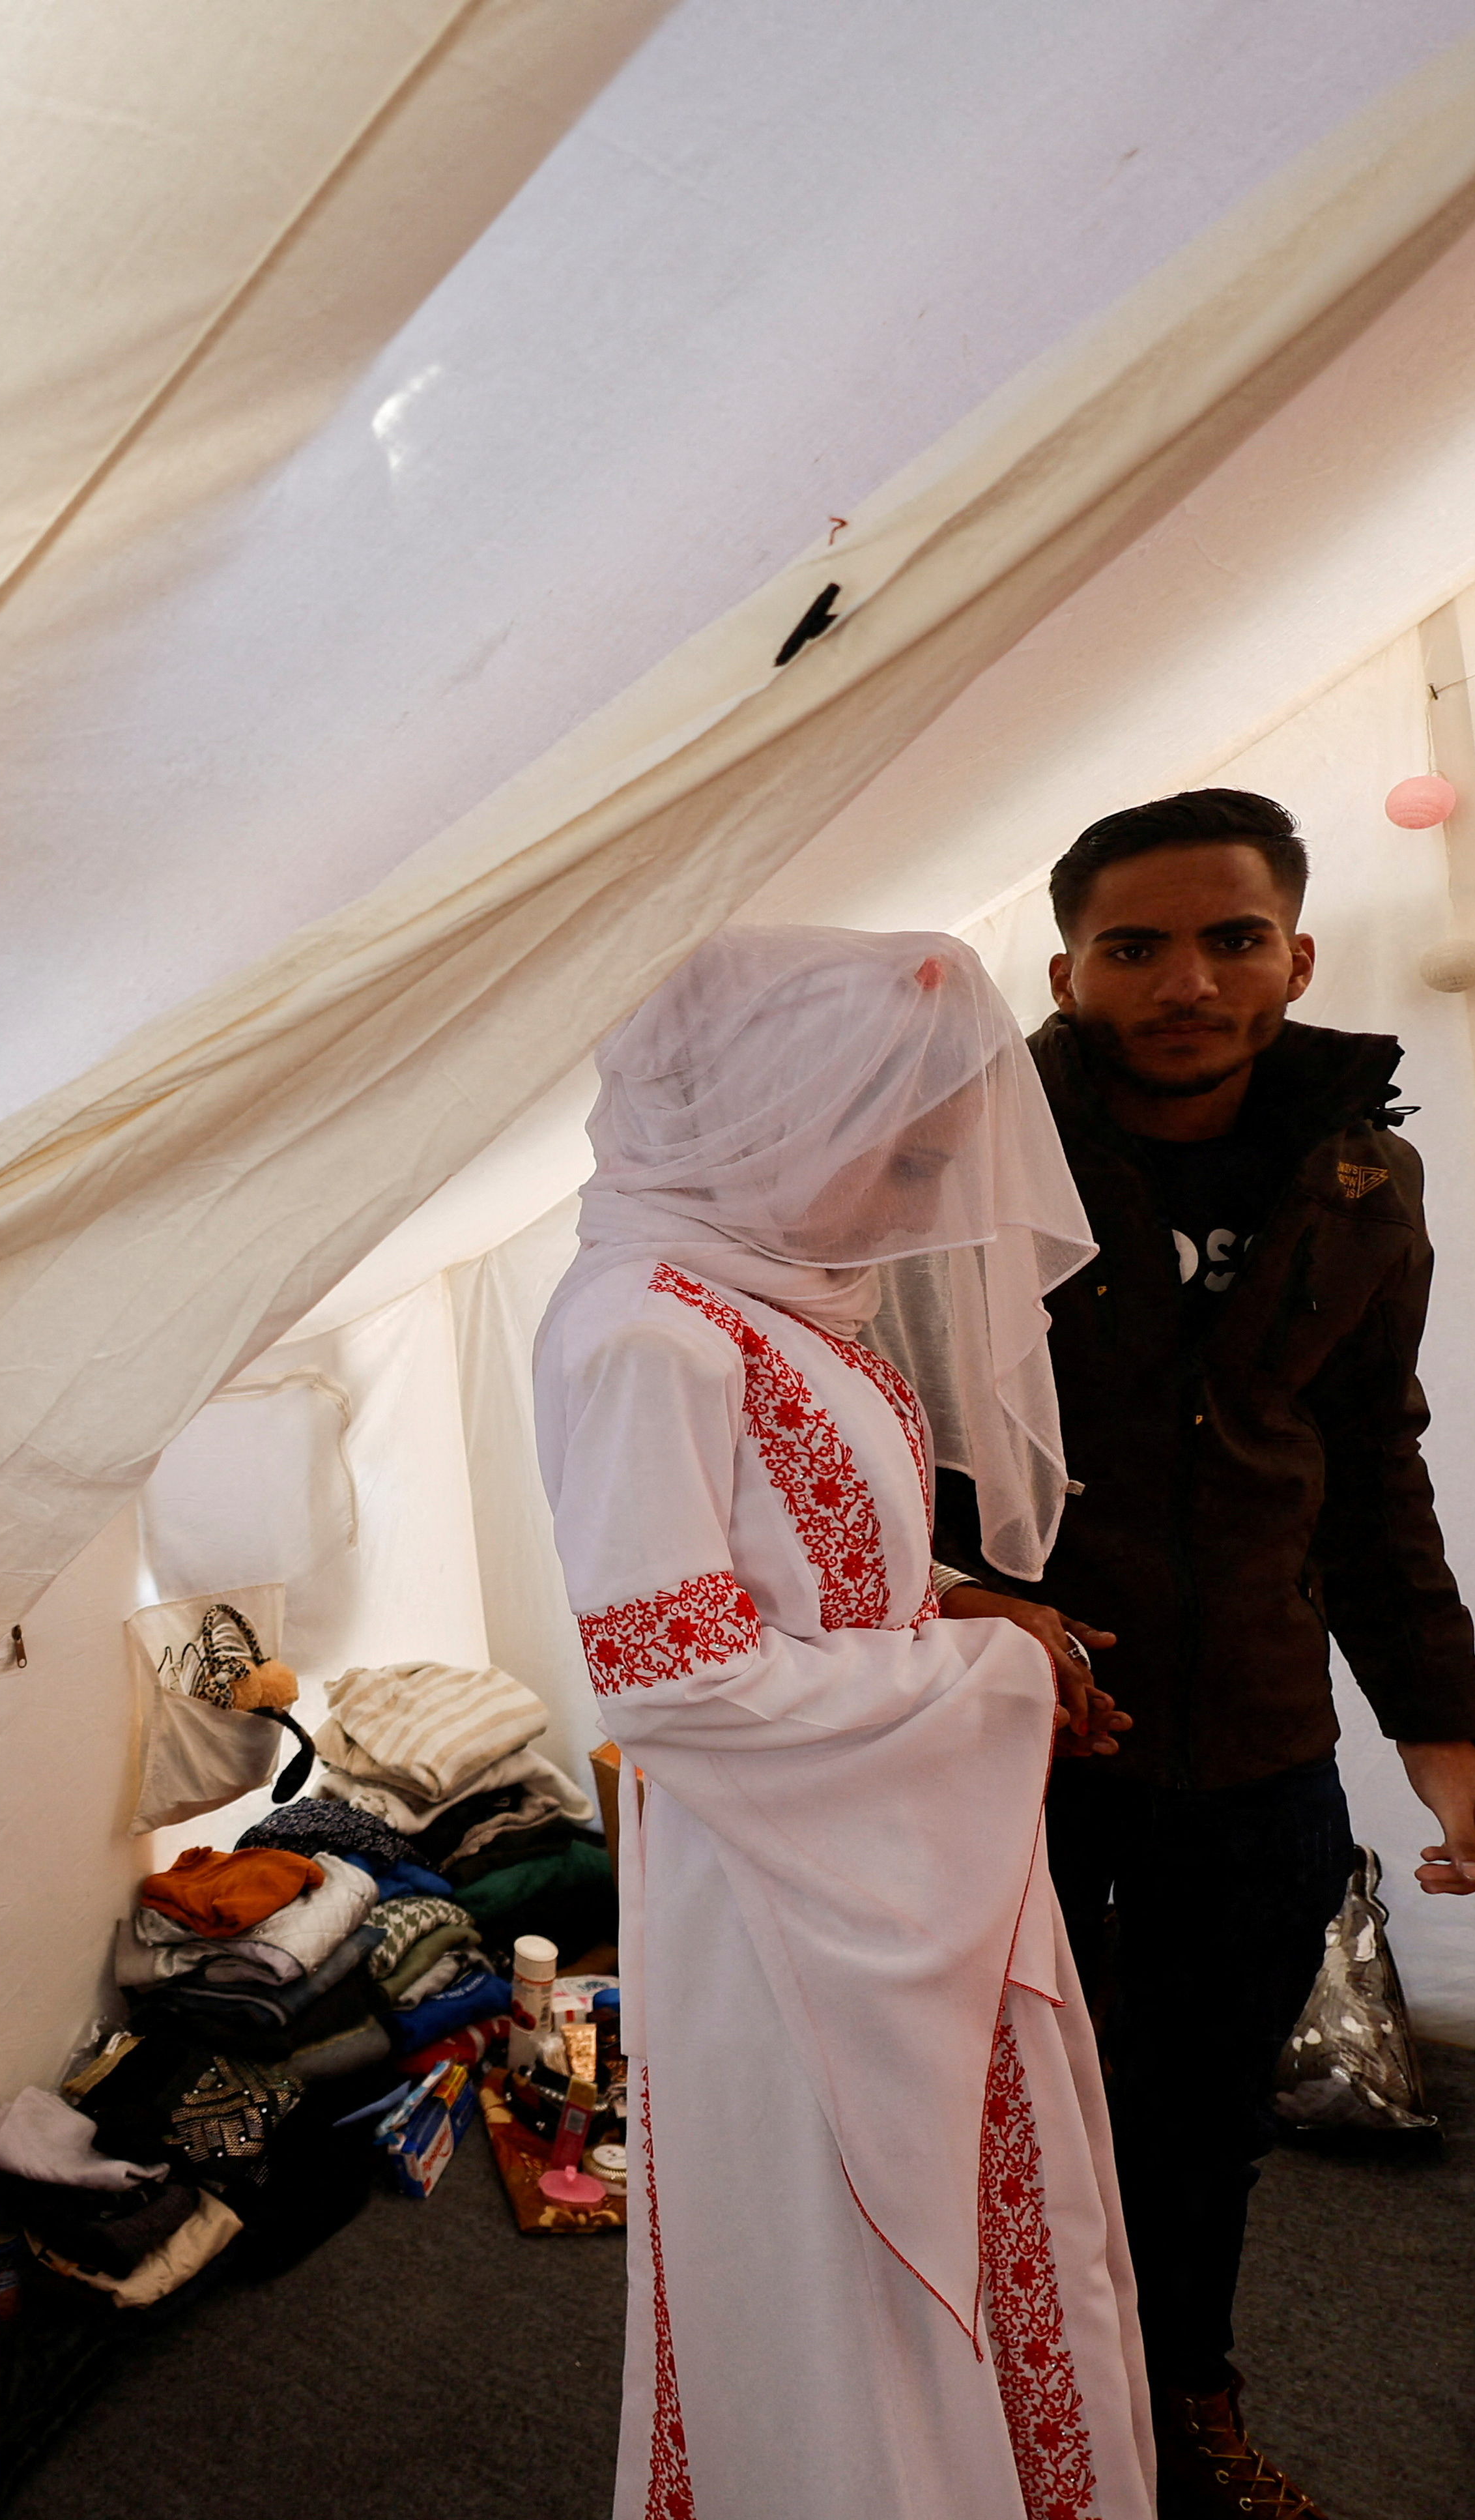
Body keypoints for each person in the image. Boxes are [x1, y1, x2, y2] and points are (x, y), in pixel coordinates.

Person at [933, 789, 1475, 2518]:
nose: (1182, 979)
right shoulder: (966, 1155)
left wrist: (1434, 1728)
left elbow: (1365, 1454)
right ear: (1065, 967)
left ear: (1294, 952)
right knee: (997, 2107)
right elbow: (878, 1436)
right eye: (1134, 946)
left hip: (1255, 1735)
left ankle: (1180, 2405)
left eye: (1227, 937)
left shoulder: (1361, 1170)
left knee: (1199, 2119)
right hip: (1010, 1734)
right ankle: (976, 2430)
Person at [534, 925, 1149, 2519]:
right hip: (777, 1888)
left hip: (888, 1847)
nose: (922, 1197)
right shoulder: (639, 1330)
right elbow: (669, 1674)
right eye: (901, 1152)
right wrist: (989, 1685)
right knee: (830, 2263)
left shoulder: (781, 1296)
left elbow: (804, 1568)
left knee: (966, 2206)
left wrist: (960, 1603)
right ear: (760, 1117)